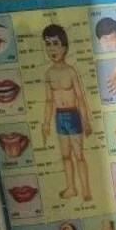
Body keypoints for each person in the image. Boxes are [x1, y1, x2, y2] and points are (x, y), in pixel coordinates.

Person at [40, 24, 92, 201]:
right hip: (59, 117)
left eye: (55, 43)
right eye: (48, 44)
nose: (52, 49)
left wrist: (86, 121)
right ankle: (71, 188)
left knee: (79, 155)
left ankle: (86, 190)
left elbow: (80, 98)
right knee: (65, 156)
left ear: (65, 46)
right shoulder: (48, 74)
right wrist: (46, 123)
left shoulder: (71, 71)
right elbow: (49, 101)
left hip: (73, 115)